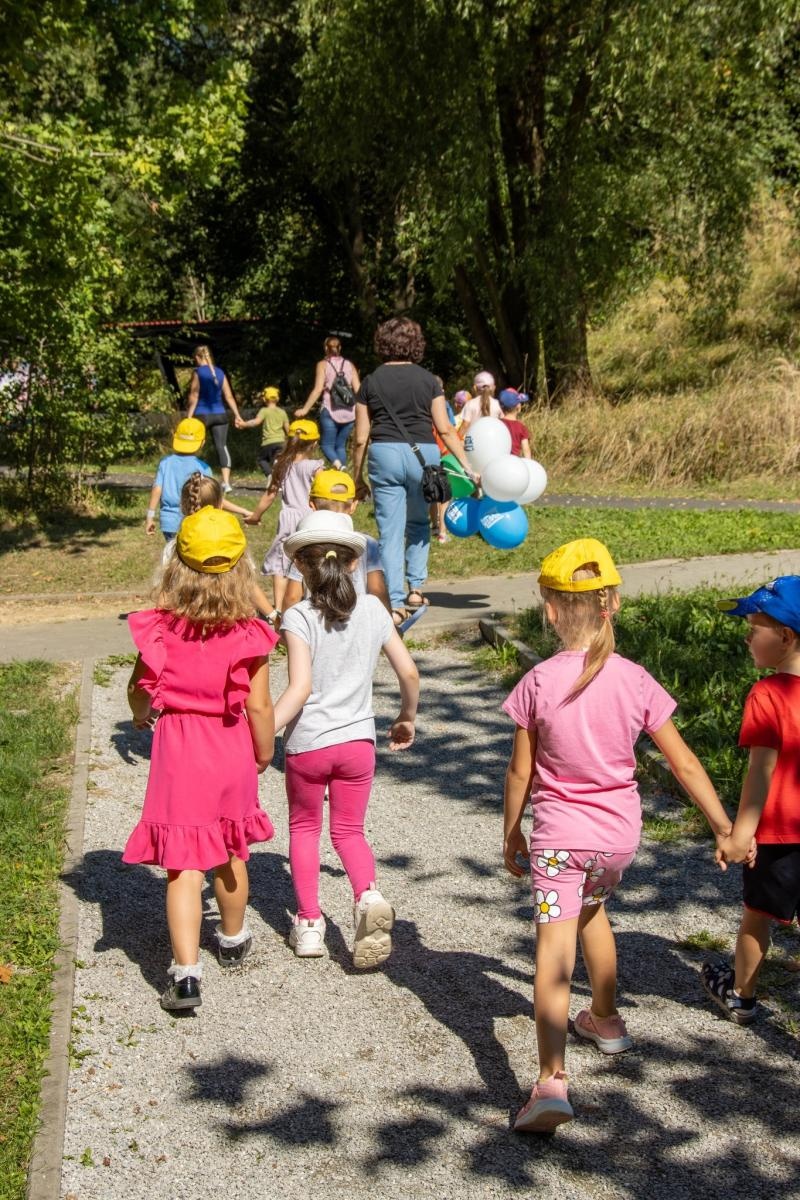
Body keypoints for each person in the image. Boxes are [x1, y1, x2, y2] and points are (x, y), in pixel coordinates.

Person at [502, 538, 736, 1134]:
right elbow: (683, 762)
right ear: (613, 605)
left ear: (549, 609)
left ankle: (550, 1081)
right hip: (616, 842)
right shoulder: (635, 679)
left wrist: (511, 833)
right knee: (593, 909)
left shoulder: (538, 681)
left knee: (553, 954)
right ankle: (605, 1020)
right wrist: (722, 825)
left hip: (559, 843)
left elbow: (520, 773)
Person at [123, 507, 277, 1011]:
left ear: (177, 567)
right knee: (231, 848)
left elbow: (139, 689)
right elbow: (259, 705)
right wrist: (264, 749)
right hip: (230, 745)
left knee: (183, 865)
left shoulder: (160, 629)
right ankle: (232, 938)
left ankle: (186, 975)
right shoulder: (249, 633)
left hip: (179, 750)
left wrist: (141, 715)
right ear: (241, 569)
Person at [273, 511, 419, 966]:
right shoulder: (374, 609)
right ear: (355, 562)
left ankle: (309, 925)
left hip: (310, 745)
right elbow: (409, 672)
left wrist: (258, 733)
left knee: (304, 829)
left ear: (301, 566)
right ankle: (366, 896)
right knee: (349, 831)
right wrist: (406, 716)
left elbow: (299, 689)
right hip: (358, 745)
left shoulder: (298, 617)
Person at [700, 577, 800, 1024]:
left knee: (757, 916)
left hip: (779, 836)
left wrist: (740, 835)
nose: (746, 637)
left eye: (753, 628)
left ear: (785, 636)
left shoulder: (767, 694)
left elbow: (761, 772)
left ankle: (741, 996)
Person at [351, 316, 476, 627]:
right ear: (416, 344)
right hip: (424, 456)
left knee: (390, 532)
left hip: (384, 455)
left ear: (382, 343)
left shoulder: (370, 382)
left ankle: (393, 603)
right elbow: (444, 429)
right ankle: (416, 589)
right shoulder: (428, 380)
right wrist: (467, 466)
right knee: (420, 522)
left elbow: (361, 437)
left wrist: (356, 476)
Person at [281, 468, 390, 617]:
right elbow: (378, 589)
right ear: (354, 505)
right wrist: (389, 622)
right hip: (357, 622)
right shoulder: (367, 543)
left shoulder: (306, 544)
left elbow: (292, 596)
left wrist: (283, 624)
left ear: (312, 504)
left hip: (316, 622)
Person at [244, 419, 322, 618]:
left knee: (281, 562)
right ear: (314, 444)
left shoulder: (281, 464)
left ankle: (278, 609)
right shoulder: (315, 467)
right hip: (310, 517)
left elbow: (270, 494)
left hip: (288, 519)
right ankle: (309, 601)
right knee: (310, 559)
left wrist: (255, 515)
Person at [293, 336, 361, 469]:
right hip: (349, 412)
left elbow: (318, 389)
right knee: (340, 446)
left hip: (330, 409)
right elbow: (358, 389)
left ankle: (339, 467)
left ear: (325, 348)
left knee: (326, 445)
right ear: (340, 348)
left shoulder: (322, 364)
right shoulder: (350, 365)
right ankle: (341, 474)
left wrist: (305, 409)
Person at [185, 345, 242, 493]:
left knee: (194, 445)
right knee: (222, 446)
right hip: (220, 414)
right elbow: (229, 396)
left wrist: (189, 416)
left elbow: (194, 395)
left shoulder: (198, 372)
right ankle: (226, 483)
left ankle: (192, 477)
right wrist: (237, 415)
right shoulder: (220, 372)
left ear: (197, 357)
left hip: (202, 414)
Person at [145, 418, 213, 541]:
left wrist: (150, 516)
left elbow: (157, 489)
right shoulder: (203, 468)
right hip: (194, 522)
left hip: (168, 522)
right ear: (202, 443)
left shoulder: (165, 463)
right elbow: (211, 497)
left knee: (173, 552)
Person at [235, 386, 290, 480]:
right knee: (278, 460)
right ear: (277, 398)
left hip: (268, 442)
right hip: (281, 442)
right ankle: (279, 477)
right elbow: (288, 429)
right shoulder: (282, 412)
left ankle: (270, 475)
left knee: (261, 459)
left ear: (264, 399)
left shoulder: (264, 411)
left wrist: (244, 424)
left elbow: (255, 422)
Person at [498, 389, 532, 458]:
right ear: (518, 407)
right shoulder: (521, 427)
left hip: (500, 460)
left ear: (501, 408)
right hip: (514, 462)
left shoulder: (498, 424)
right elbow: (526, 450)